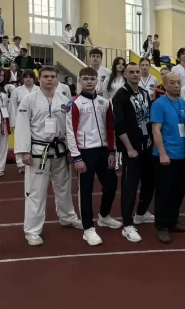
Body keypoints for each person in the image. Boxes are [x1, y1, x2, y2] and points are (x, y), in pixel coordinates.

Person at [16, 66, 82, 246]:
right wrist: (24, 152)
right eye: (46, 76)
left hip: (60, 150)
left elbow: (69, 127)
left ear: (57, 79)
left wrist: (72, 150)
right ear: (39, 79)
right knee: (35, 192)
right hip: (39, 152)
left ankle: (67, 217)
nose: (50, 79)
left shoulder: (64, 100)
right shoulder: (29, 100)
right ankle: (32, 230)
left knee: (64, 187)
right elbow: (22, 126)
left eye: (53, 76)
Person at [67, 67, 121, 246]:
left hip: (104, 150)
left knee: (111, 184)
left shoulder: (104, 103)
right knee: (86, 190)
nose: (89, 82)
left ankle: (104, 216)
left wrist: (112, 151)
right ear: (80, 81)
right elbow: (70, 131)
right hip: (85, 152)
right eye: (85, 79)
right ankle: (88, 228)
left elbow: (110, 128)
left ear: (97, 81)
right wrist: (77, 157)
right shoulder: (75, 103)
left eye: (92, 78)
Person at [112, 62, 155, 243]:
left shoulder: (144, 93)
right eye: (131, 72)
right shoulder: (120, 96)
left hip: (147, 147)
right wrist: (129, 148)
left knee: (149, 183)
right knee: (130, 187)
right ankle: (127, 224)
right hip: (132, 150)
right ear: (125, 74)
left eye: (138, 71)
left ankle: (141, 213)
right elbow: (119, 125)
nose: (136, 74)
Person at [151, 71, 185, 243]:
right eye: (172, 82)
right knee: (164, 192)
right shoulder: (159, 104)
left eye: (178, 82)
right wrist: (162, 153)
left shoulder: (183, 103)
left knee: (178, 191)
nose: (176, 85)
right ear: (165, 84)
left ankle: (173, 221)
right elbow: (156, 130)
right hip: (166, 156)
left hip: (182, 155)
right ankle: (162, 226)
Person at [9, 69, 38, 174]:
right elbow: (12, 106)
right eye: (26, 77)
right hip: (21, 119)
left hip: (36, 119)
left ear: (34, 79)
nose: (28, 79)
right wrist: (13, 122)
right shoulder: (17, 91)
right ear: (22, 79)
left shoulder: (39, 90)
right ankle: (21, 164)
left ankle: (35, 161)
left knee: (35, 141)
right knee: (20, 140)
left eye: (30, 77)